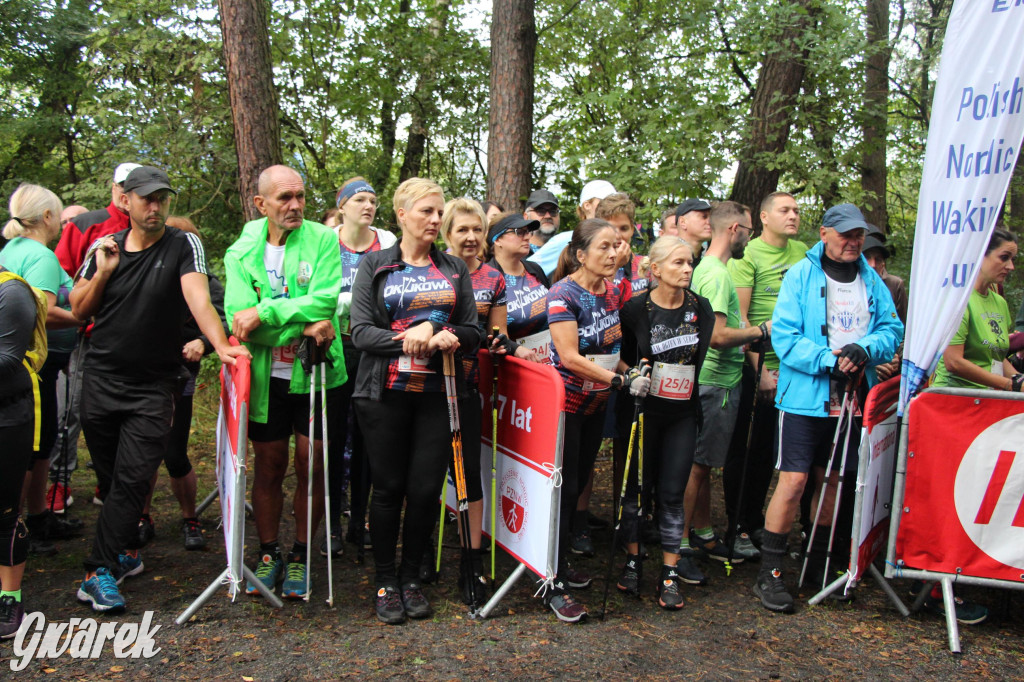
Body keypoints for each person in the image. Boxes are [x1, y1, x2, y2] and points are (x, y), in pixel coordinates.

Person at [71, 166, 248, 612]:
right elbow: (77, 310)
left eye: (161, 198)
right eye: (146, 198)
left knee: (134, 476)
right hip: (102, 379)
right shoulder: (102, 247)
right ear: (125, 201)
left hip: (154, 385)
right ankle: (124, 552)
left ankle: (97, 571)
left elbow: (199, 300)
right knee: (111, 478)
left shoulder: (183, 243)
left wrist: (220, 345)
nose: (155, 206)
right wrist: (104, 273)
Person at [752, 203, 902, 614]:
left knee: (833, 479)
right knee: (795, 481)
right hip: (804, 397)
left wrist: (864, 348)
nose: (854, 242)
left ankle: (816, 564)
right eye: (846, 235)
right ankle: (772, 571)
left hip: (854, 398)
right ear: (824, 234)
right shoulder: (800, 275)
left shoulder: (872, 280)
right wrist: (828, 360)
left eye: (859, 236)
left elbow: (892, 329)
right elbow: (783, 336)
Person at [350, 178, 483, 624]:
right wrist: (412, 336)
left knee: (425, 489)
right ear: (402, 215)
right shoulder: (376, 266)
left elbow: (473, 330)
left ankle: (411, 578)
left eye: (438, 210)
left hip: (438, 395)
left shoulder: (454, 269)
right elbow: (361, 332)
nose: (435, 219)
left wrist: (448, 335)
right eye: (426, 211)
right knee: (387, 488)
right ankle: (385, 581)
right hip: (383, 394)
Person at [224, 165, 345, 600]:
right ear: (261, 204)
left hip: (316, 373)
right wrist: (301, 322)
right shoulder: (242, 247)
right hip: (264, 378)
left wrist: (268, 312)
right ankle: (270, 552)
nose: (295, 205)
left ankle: (300, 554)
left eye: (300, 195)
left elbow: (326, 299)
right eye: (284, 198)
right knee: (270, 465)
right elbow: (240, 322)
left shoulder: (323, 238)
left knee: (311, 466)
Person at [543, 218, 647, 622]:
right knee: (562, 490)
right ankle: (551, 579)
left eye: (617, 246)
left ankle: (562, 563)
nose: (613, 253)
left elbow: (609, 346)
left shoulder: (611, 291)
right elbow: (569, 356)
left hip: (595, 403)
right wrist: (621, 380)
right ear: (581, 254)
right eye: (603, 247)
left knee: (579, 484)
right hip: (564, 406)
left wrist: (631, 369)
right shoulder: (562, 294)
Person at [617, 236, 713, 609]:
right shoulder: (635, 309)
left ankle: (670, 573)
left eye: (689, 262)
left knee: (673, 493)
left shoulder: (700, 308)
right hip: (643, 411)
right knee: (636, 491)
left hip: (682, 413)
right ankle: (633, 560)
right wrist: (632, 374)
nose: (687, 269)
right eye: (677, 263)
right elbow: (619, 358)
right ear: (654, 269)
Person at [132, 216, 228, 551]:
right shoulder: (144, 271)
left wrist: (203, 341)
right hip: (142, 373)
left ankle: (190, 518)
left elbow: (224, 314)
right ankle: (141, 517)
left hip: (181, 374)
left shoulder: (205, 278)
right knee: (143, 451)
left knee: (174, 451)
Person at [0, 185, 85, 555]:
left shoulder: (12, 249)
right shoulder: (41, 256)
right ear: (49, 217)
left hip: (22, 365)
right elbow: (42, 313)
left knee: (37, 445)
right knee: (34, 446)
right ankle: (20, 528)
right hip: (35, 366)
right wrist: (84, 317)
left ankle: (35, 518)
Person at [684, 201, 767, 579]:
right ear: (734, 229)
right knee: (698, 467)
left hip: (710, 380)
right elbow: (717, 336)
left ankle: (701, 533)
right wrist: (759, 332)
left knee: (701, 462)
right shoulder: (717, 274)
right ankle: (681, 544)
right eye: (750, 230)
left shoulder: (706, 268)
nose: (751, 237)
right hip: (717, 381)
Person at [50, 163, 140, 508]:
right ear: (114, 188)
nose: (125, 194)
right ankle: (60, 481)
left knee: (124, 416)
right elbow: (61, 279)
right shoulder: (86, 225)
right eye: (122, 186)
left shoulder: (150, 226)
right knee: (72, 412)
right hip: (89, 335)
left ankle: (110, 483)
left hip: (135, 339)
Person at [725, 191, 807, 549]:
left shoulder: (805, 253)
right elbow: (741, 318)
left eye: (796, 210)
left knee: (780, 452)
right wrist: (761, 372)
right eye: (785, 210)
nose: (793, 216)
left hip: (800, 368)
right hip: (760, 367)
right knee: (752, 449)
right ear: (764, 217)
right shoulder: (747, 256)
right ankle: (740, 522)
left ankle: (766, 521)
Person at [329, 177, 397, 556]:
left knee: (371, 438)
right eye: (359, 200)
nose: (368, 206)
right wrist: (350, 303)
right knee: (336, 438)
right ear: (342, 206)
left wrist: (354, 307)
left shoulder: (386, 242)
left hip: (373, 350)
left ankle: (360, 519)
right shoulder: (327, 243)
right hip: (336, 350)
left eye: (373, 200)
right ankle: (333, 522)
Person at [0, 264, 48, 636]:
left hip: (8, 414)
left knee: (5, 510)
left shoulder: (12, 291)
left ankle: (10, 597)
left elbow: (7, 358)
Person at [488, 213, 551, 362]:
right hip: (516, 367)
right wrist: (515, 349)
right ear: (497, 240)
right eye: (519, 232)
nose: (528, 237)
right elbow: (486, 334)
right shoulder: (488, 278)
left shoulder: (534, 269)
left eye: (527, 232)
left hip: (552, 362)